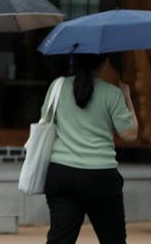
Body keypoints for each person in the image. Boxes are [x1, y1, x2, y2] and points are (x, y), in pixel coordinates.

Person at [42, 54, 138, 244]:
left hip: (61, 172)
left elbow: (46, 121)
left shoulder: (58, 86)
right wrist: (127, 97)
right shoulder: (112, 94)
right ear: (103, 64)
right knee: (113, 239)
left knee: (59, 240)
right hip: (100, 176)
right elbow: (130, 135)